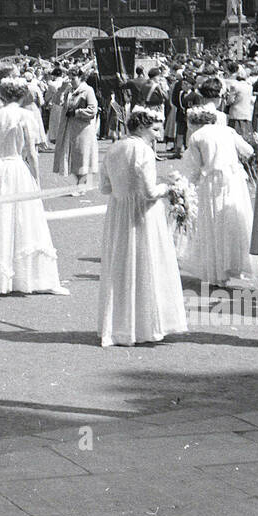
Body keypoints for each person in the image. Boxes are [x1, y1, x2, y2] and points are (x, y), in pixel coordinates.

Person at [0, 77, 68, 296]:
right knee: (24, 219)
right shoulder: (26, 116)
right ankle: (26, 276)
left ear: (5, 95)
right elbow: (31, 152)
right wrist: (37, 180)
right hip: (16, 167)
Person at [97, 106, 187, 346]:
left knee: (122, 266)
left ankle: (119, 326)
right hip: (142, 215)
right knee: (146, 264)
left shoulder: (114, 148)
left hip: (118, 212)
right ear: (141, 127)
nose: (158, 135)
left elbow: (105, 188)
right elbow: (148, 193)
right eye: (155, 129)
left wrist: (123, 190)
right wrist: (169, 188)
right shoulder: (144, 151)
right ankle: (145, 326)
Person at [180, 103, 257, 286]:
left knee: (214, 223)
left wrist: (189, 185)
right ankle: (236, 264)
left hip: (212, 182)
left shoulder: (197, 137)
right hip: (233, 180)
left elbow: (195, 166)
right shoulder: (228, 131)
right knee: (234, 220)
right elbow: (249, 150)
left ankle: (217, 271)